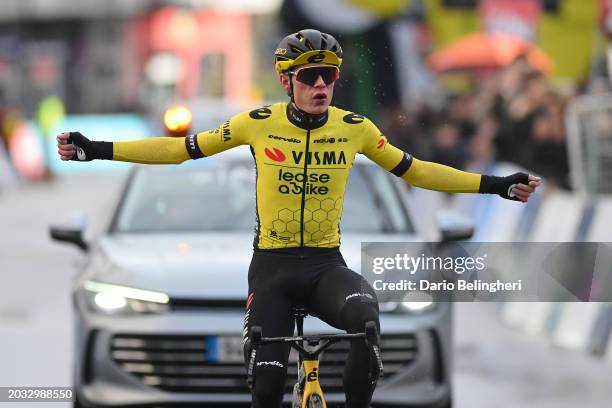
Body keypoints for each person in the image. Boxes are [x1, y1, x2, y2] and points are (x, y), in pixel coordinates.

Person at [57, 29, 540, 408]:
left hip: (326, 266)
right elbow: (178, 150)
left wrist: (493, 185)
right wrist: (95, 150)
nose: (321, 86)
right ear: (286, 81)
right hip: (272, 270)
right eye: (309, 77)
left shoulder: (355, 129)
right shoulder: (256, 122)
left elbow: (418, 170)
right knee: (267, 388)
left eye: (329, 76)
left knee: (368, 322)